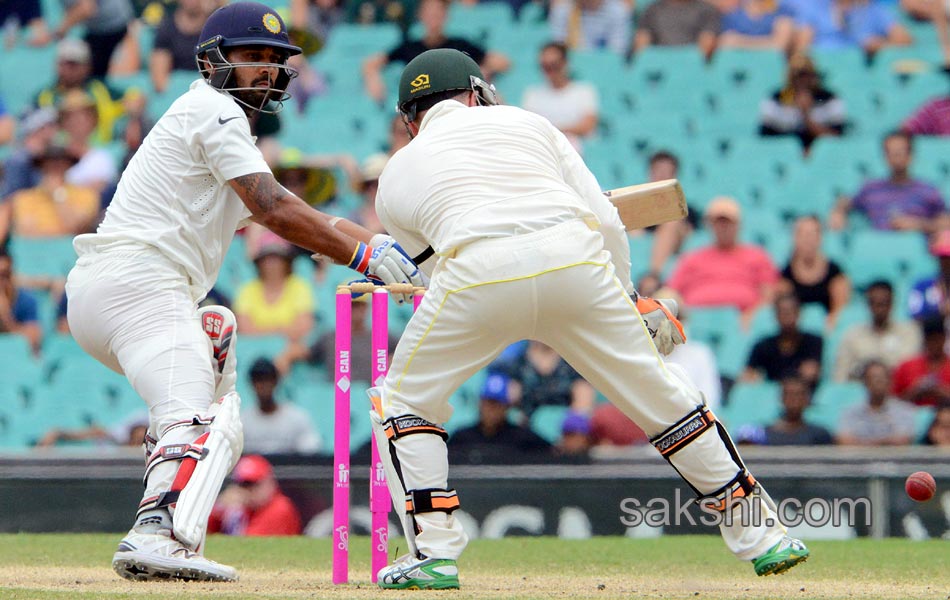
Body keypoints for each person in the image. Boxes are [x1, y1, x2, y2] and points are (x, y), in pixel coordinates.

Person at [366, 48, 808, 590]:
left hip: (476, 274)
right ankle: (763, 535)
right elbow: (604, 218)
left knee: (404, 401)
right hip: (574, 259)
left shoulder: (394, 175)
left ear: (410, 118)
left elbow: (431, 270)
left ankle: (434, 553)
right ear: (477, 93)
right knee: (664, 394)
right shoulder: (529, 122)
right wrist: (628, 298)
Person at [63, 1, 424, 583]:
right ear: (212, 62)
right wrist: (367, 256)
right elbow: (275, 208)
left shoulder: (224, 133)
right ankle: (155, 533)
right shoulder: (213, 109)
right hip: (137, 283)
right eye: (251, 56)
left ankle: (175, 533)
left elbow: (294, 210)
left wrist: (389, 251)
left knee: (218, 349)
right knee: (202, 417)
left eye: (274, 60)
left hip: (130, 292)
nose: (266, 69)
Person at [361, 0, 510, 104]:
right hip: (421, 102)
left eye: (438, 12)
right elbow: (372, 63)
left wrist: (482, 71)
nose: (433, 17)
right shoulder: (409, 47)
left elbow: (502, 62)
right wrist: (373, 76)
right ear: (421, 16)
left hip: (457, 101)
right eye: (429, 12)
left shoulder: (459, 44)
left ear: (446, 16)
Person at [666, 196, 780, 326]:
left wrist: (753, 315)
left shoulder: (757, 256)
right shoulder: (691, 258)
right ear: (710, 225)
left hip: (742, 323)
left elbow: (769, 295)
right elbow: (671, 292)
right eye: (718, 223)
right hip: (696, 323)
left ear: (738, 225)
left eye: (727, 222)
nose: (723, 227)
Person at [830, 131, 948, 234]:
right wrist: (838, 212)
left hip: (914, 250)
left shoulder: (928, 190)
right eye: (890, 152)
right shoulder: (871, 189)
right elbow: (845, 203)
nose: (895, 157)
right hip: (878, 249)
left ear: (911, 155)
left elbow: (946, 223)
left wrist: (919, 225)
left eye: (899, 152)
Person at [448, 373, 552, 463]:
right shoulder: (462, 438)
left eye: (497, 404)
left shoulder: (523, 438)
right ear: (480, 404)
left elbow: (552, 455)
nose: (491, 410)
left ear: (506, 407)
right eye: (488, 403)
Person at [9, 139, 100, 237]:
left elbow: (76, 227)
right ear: (41, 166)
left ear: (69, 165)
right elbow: (25, 232)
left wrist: (58, 193)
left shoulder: (87, 195)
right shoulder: (23, 198)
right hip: (33, 250)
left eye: (60, 161)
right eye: (49, 162)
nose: (55, 166)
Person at [834, 280, 922, 382]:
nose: (878, 309)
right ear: (868, 304)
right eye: (873, 303)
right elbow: (841, 376)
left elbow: (910, 369)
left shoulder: (909, 332)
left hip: (898, 390)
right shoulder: (852, 335)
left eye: (883, 303)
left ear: (891, 303)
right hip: (861, 392)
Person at [521, 42, 599, 154]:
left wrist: (551, 131)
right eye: (545, 66)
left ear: (565, 63)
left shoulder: (584, 91)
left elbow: (588, 125)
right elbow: (530, 127)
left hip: (578, 151)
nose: (550, 71)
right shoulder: (532, 94)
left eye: (554, 65)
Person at [759, 53, 846, 151]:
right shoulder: (777, 99)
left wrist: (806, 116)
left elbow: (837, 137)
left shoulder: (829, 99)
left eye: (807, 74)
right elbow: (766, 138)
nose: (803, 80)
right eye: (798, 74)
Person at [234, 241, 315, 344]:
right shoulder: (247, 289)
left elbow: (304, 327)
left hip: (289, 346)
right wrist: (281, 330)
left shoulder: (300, 286)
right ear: (259, 264)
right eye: (268, 260)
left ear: (286, 263)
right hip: (253, 347)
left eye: (277, 260)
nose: (272, 265)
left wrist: (263, 331)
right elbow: (243, 328)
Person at [778, 215, 850, 328]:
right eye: (802, 234)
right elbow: (783, 309)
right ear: (794, 238)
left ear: (821, 238)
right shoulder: (786, 274)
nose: (807, 240)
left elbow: (841, 310)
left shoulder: (835, 272)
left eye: (812, 234)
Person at [207, 454, 303, 536]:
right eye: (243, 485)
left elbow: (250, 546)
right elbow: (202, 534)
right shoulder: (240, 509)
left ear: (269, 482)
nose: (247, 491)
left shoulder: (280, 508)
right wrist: (219, 508)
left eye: (253, 484)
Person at [240, 358, 320, 454]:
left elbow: (311, 449)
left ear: (276, 382)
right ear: (251, 384)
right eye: (258, 380)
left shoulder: (297, 417)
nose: (263, 385)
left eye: (268, 379)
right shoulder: (242, 422)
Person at [742, 294, 823, 387]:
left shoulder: (814, 342)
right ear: (776, 315)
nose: (786, 317)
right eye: (782, 312)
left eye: (790, 312)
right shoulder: (763, 345)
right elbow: (749, 373)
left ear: (798, 313)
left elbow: (812, 373)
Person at [837, 361, 918, 446]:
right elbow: (844, 441)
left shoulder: (905, 411)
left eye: (882, 378)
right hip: (860, 457)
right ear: (865, 383)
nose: (878, 382)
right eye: (873, 378)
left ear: (890, 381)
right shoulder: (851, 412)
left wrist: (863, 443)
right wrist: (884, 443)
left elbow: (903, 441)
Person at [52, 0, 136, 79]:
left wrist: (59, 31)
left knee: (92, 74)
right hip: (94, 30)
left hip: (114, 28)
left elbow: (86, 8)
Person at [793, 0, 912, 56]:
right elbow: (802, 47)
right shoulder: (817, 8)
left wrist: (880, 45)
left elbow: (904, 39)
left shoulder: (873, 10)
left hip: (859, 76)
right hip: (822, 72)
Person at [150, 0, 216, 93]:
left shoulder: (216, 28)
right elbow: (160, 81)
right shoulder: (166, 30)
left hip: (208, 91)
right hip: (175, 93)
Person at [891, 316, 950, 407]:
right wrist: (915, 392)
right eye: (930, 340)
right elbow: (892, 404)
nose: (935, 344)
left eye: (938, 339)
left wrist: (942, 392)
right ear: (924, 340)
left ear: (944, 338)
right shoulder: (906, 367)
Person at [633, 0, 722, 60]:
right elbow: (642, 44)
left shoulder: (706, 10)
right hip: (659, 68)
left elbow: (707, 42)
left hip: (693, 68)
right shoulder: (652, 10)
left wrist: (682, 63)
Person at [763, 377, 833, 445]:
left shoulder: (820, 435)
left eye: (800, 395)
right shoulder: (765, 434)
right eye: (790, 394)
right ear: (782, 398)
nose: (795, 400)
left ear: (807, 399)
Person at [548, 0, 632, 55]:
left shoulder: (618, 11)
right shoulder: (562, 11)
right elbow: (559, 50)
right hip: (573, 71)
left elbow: (617, 54)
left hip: (605, 70)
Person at [0, 251, 43, 354]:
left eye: (5, 274)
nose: (1, 280)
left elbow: (33, 340)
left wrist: (6, 317)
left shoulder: (26, 300)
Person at [717, 0, 796, 51]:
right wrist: (769, 41)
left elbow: (779, 46)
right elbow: (726, 43)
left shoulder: (783, 11)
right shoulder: (732, 15)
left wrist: (740, 42)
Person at [908, 230, 950, 320]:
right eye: (943, 257)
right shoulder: (922, 286)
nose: (947, 262)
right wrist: (940, 312)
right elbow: (915, 315)